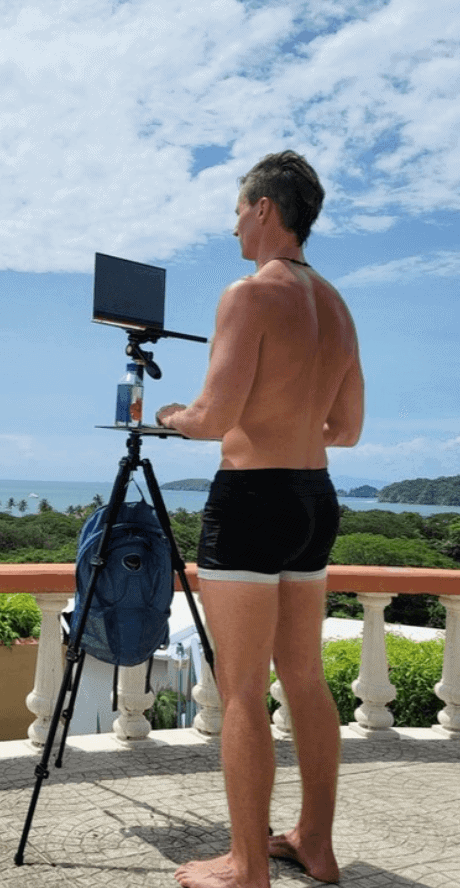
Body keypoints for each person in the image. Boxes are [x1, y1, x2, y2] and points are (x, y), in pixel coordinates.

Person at [156, 151, 364, 888]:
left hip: (252, 499)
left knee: (242, 688)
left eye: (240, 210)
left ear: (266, 208)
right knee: (303, 678)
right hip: (315, 497)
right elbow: (348, 427)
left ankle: (247, 866)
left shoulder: (247, 296)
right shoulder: (337, 305)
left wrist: (173, 417)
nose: (235, 225)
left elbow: (215, 419)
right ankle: (314, 841)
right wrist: (291, 416)